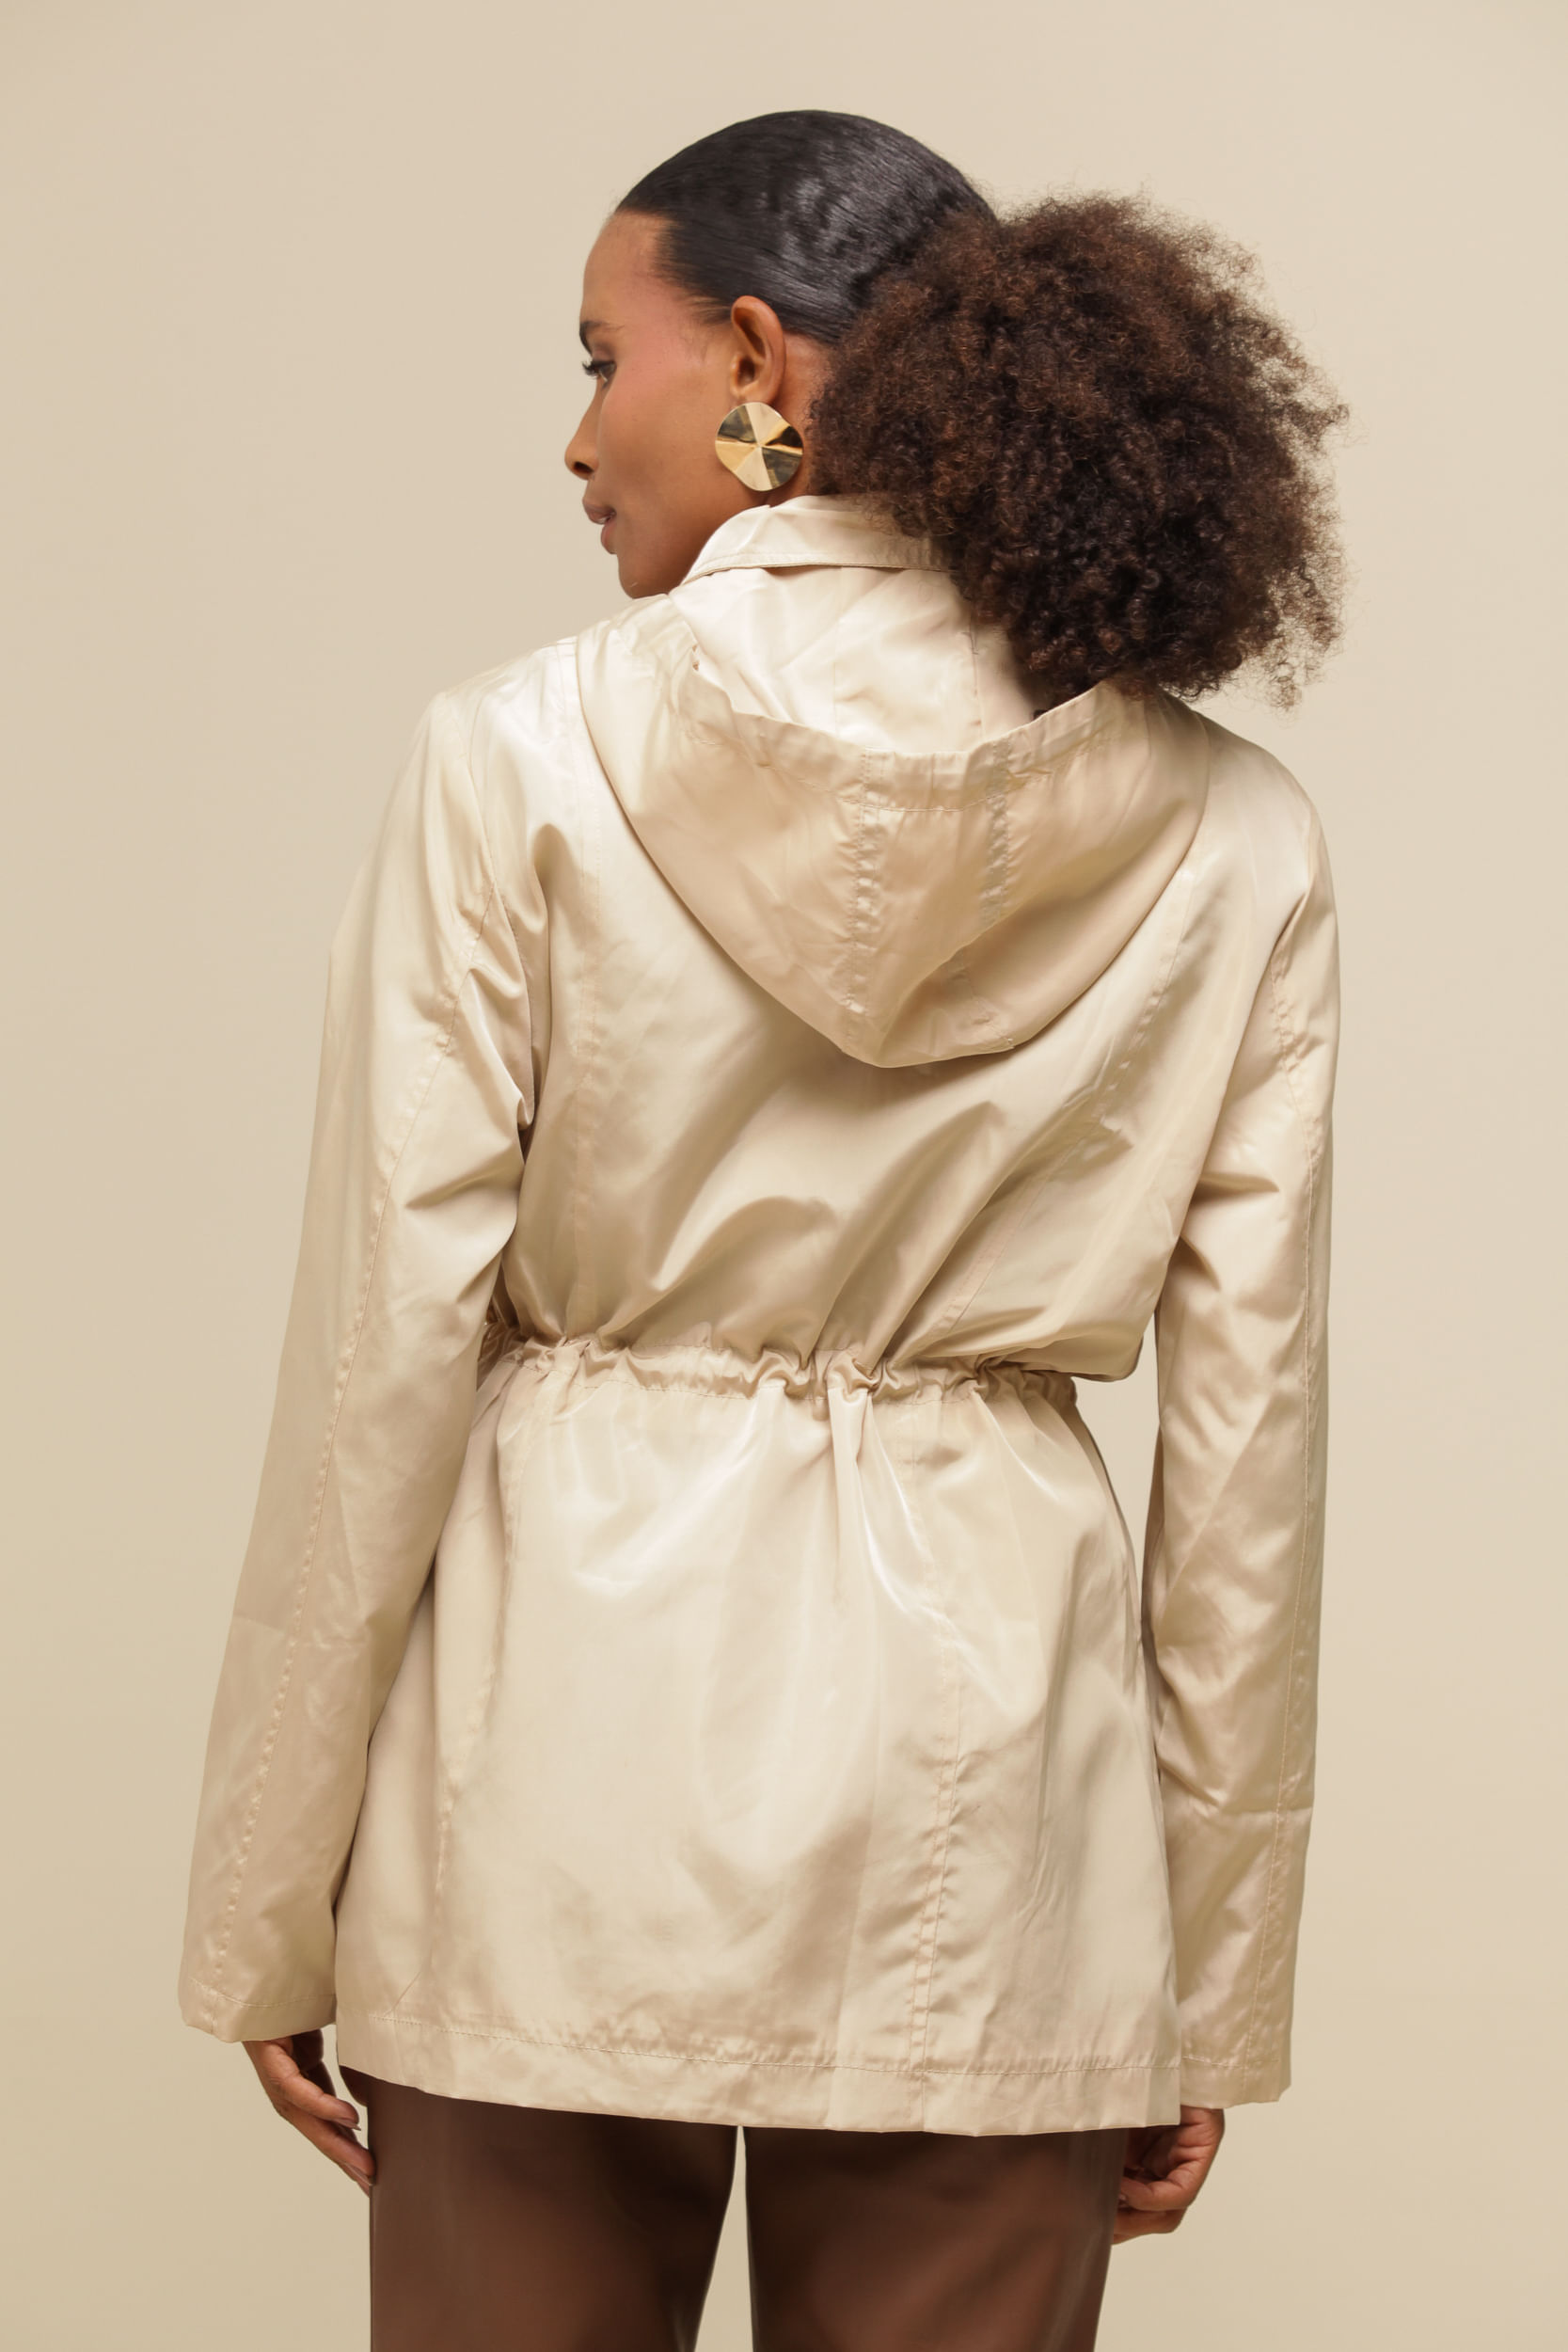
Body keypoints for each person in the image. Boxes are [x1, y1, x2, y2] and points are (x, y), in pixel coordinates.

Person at [179, 110, 1344, 2351]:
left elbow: (375, 1362)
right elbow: (1249, 1461)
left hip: (540, 1783)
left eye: (594, 357)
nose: (574, 438)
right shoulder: (1234, 831)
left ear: (747, 360)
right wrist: (1208, 1972)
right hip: (997, 1832)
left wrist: (268, 1901)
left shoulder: (510, 755)